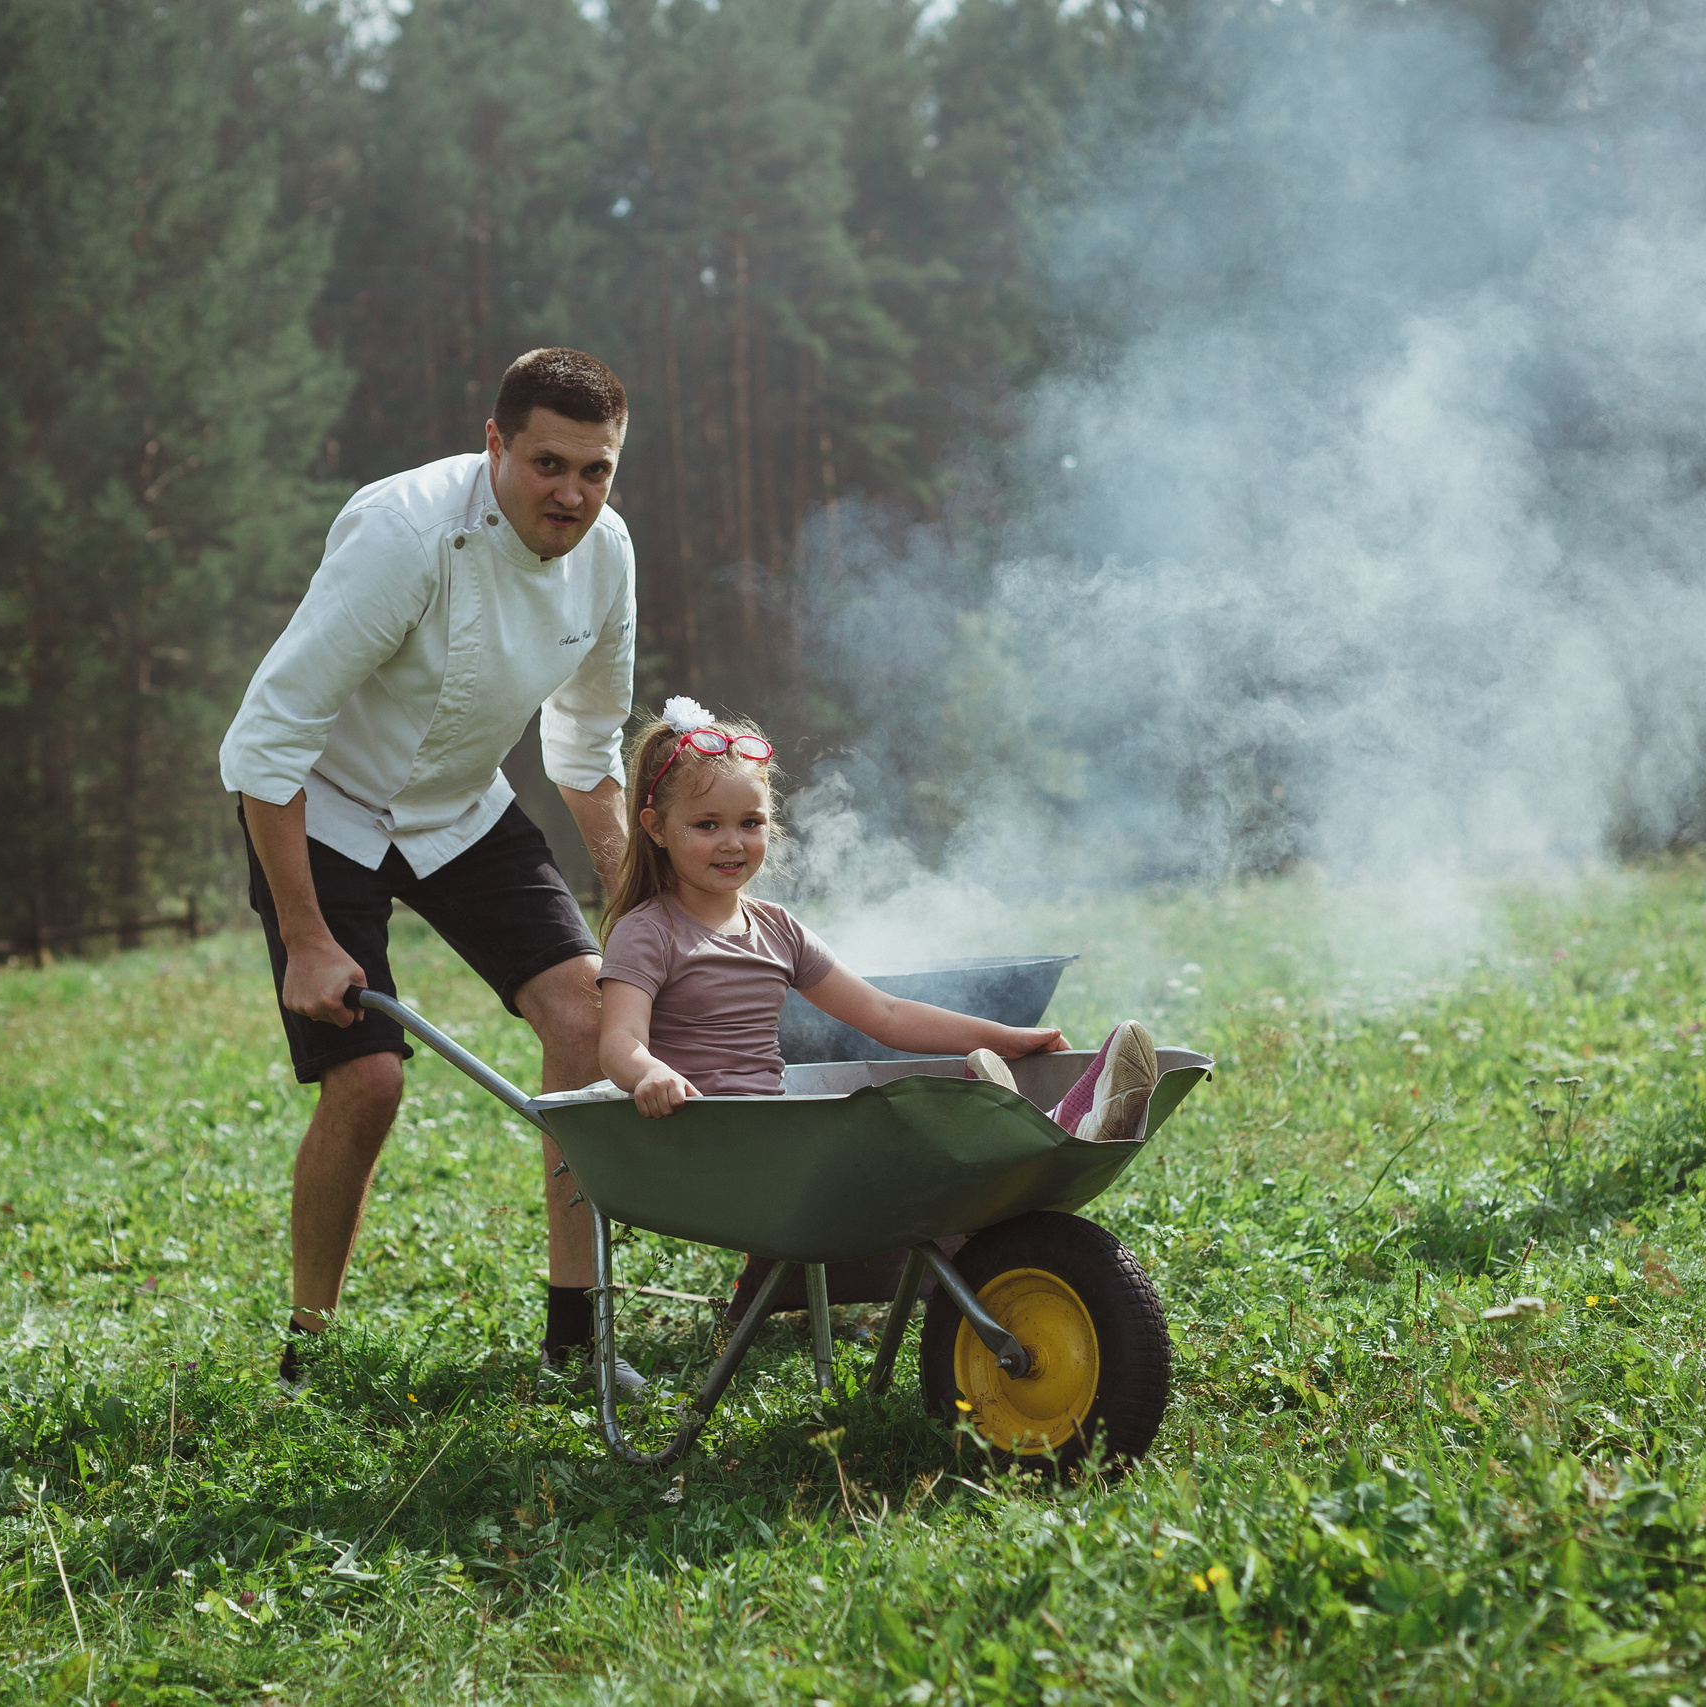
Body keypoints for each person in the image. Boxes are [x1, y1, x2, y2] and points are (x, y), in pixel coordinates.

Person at [220, 348, 640, 1393]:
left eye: (596, 471)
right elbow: (263, 746)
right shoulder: (403, 534)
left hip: (459, 806)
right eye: (549, 464)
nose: (572, 494)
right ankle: (306, 1354)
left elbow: (586, 748)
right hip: (325, 807)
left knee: (589, 1019)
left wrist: (638, 912)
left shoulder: (607, 554)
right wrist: (309, 940)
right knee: (366, 1083)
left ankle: (573, 1338)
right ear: (494, 444)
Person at [594, 698, 1163, 1139]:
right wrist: (648, 1073)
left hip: (771, 1134)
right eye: (706, 825)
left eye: (751, 822)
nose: (733, 843)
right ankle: (1048, 1123)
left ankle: (1045, 1124)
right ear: (655, 827)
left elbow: (885, 1013)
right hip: (708, 1137)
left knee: (905, 1123)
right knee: (901, 1138)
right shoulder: (648, 932)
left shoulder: (777, 929)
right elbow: (619, 1038)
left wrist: (1006, 1038)